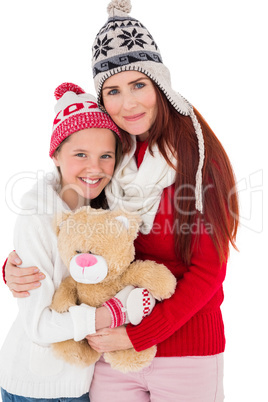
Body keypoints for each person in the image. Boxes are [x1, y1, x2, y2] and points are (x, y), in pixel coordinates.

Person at [3, 0, 239, 401]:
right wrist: (18, 268)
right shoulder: (111, 158)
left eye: (138, 85)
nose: (128, 103)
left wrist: (138, 332)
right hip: (109, 357)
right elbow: (72, 231)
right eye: (112, 91)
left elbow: (208, 272)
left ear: (159, 83)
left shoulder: (198, 160)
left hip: (184, 353)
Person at [0, 82, 155, 402]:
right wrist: (110, 316)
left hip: (85, 382)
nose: (94, 168)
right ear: (55, 154)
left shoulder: (105, 209)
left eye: (106, 156)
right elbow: (39, 326)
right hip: (38, 387)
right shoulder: (37, 217)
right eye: (80, 154)